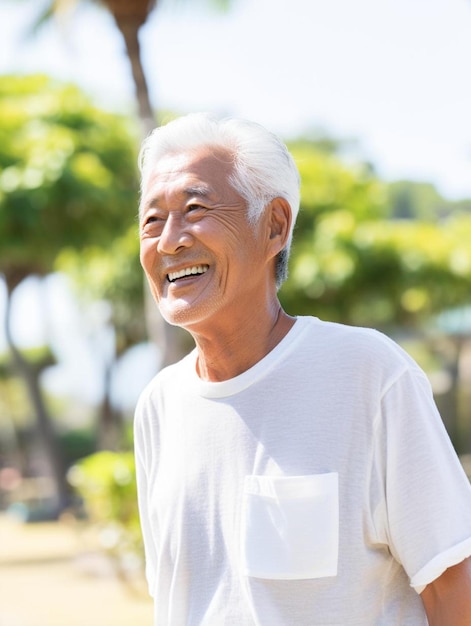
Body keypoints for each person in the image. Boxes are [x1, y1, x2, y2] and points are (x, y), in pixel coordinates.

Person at [134, 112, 471, 625]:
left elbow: (454, 587)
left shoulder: (368, 374)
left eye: (195, 208)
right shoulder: (160, 405)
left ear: (274, 226)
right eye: (152, 220)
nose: (169, 241)